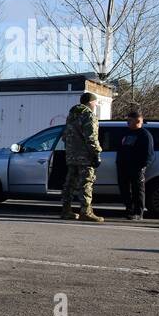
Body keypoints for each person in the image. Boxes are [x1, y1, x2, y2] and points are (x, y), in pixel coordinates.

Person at [61, 91, 103, 223]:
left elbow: (65, 136)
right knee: (86, 183)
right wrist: (96, 153)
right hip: (85, 156)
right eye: (95, 103)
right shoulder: (88, 115)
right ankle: (86, 212)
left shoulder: (72, 115)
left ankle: (66, 210)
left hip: (71, 155)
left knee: (70, 183)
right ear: (91, 102)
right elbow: (91, 137)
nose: (95, 106)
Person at [115, 109, 155, 220]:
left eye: (130, 120)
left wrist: (142, 166)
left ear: (138, 121)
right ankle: (129, 210)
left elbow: (149, 154)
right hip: (123, 166)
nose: (127, 122)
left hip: (137, 167)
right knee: (124, 189)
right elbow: (120, 148)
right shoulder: (126, 133)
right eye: (127, 120)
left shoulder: (145, 135)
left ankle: (138, 212)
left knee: (138, 190)